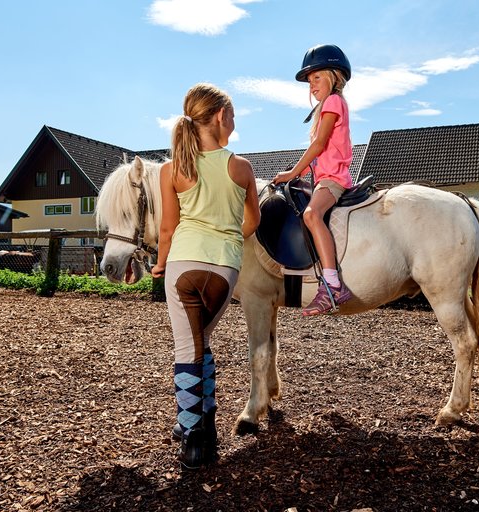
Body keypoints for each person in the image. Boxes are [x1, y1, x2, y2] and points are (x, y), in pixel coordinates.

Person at [150, 83, 260, 470]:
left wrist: (161, 264)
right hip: (225, 269)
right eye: (231, 114)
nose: (233, 121)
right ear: (218, 117)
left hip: (184, 264)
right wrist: (229, 241)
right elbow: (253, 221)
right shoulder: (241, 167)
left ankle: (193, 439)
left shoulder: (172, 169)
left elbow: (168, 228)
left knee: (187, 350)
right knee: (201, 344)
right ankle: (204, 423)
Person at [272, 43, 354, 316]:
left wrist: (292, 173)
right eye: (309, 81)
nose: (312, 85)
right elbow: (320, 153)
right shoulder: (325, 107)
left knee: (311, 215)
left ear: (334, 76)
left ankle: (332, 284)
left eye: (317, 77)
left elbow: (319, 145)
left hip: (333, 179)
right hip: (322, 177)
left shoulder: (333, 102)